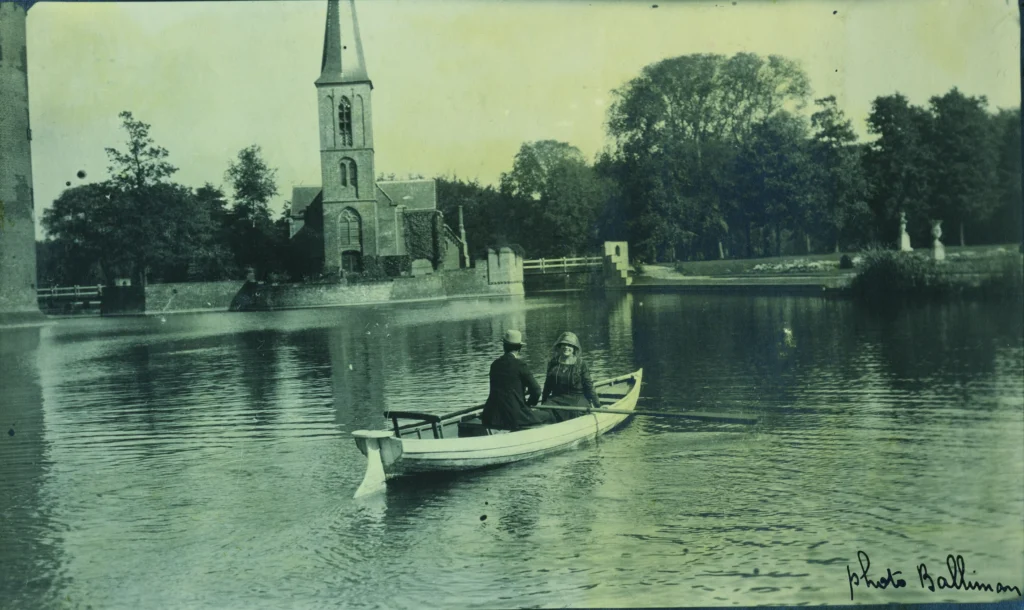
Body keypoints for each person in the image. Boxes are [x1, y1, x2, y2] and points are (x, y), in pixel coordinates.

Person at [481, 329, 555, 431]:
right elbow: (536, 390)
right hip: (513, 416)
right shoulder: (520, 365)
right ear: (519, 348)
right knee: (548, 415)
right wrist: (530, 404)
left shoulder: (494, 365)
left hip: (491, 416)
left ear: (504, 347)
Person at [541, 331, 601, 422]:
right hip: (557, 399)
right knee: (545, 411)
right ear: (559, 347)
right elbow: (547, 386)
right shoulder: (553, 363)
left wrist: (598, 406)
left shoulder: (581, 364)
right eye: (563, 344)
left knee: (574, 413)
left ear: (574, 348)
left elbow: (589, 386)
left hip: (577, 399)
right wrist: (543, 403)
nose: (566, 347)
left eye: (569, 345)